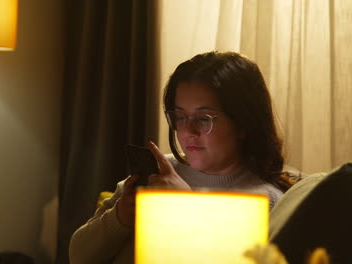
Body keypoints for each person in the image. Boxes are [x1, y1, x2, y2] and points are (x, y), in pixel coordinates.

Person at [69, 51, 298, 264]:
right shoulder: (158, 173)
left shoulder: (266, 201)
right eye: (180, 117)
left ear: (243, 124)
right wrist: (121, 216)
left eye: (204, 118)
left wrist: (185, 208)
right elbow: (78, 255)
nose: (188, 131)